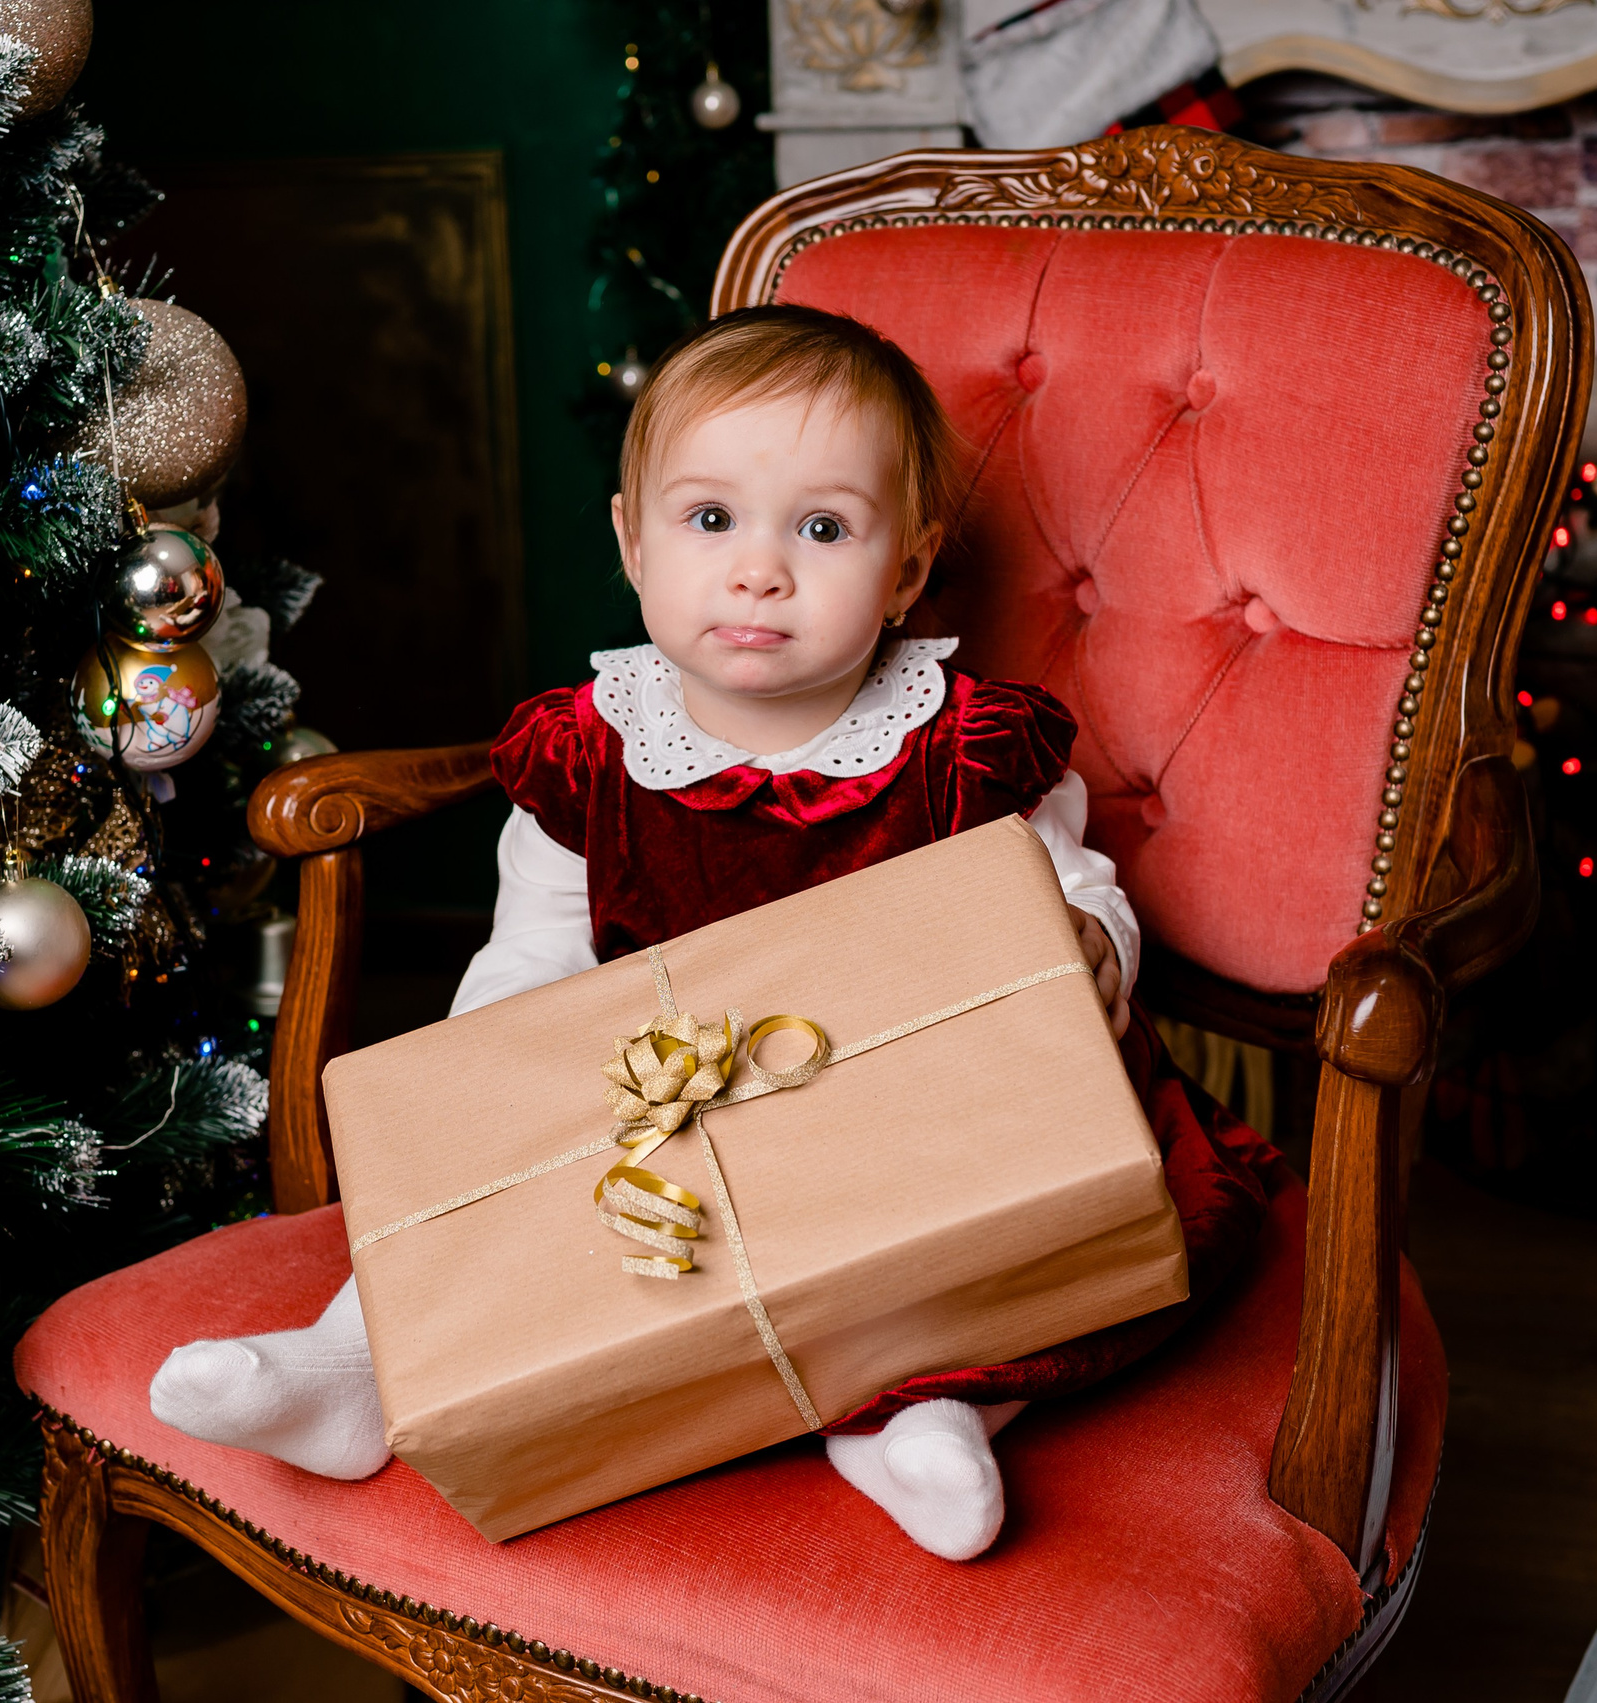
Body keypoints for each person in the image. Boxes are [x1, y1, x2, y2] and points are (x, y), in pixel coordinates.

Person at [148, 305, 1274, 1561]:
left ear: (906, 572)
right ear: (633, 543)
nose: (759, 571)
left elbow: (1076, 888)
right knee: (501, 1189)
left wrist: (1091, 938)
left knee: (1018, 1231)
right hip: (675, 1125)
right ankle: (357, 1367)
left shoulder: (960, 744)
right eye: (710, 519)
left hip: (907, 1116)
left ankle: (929, 1418)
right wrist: (492, 1108)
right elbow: (530, 953)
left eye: (823, 529)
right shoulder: (591, 750)